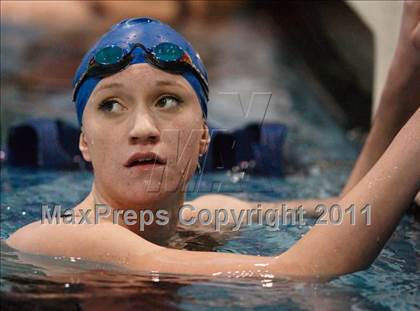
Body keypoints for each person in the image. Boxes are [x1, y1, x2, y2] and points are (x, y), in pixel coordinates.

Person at [7, 1, 420, 280]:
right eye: (112, 106)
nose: (143, 127)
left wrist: (404, 63)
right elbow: (301, 269)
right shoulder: (68, 235)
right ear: (83, 143)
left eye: (166, 100)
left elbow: (351, 213)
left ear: (204, 136)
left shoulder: (208, 215)